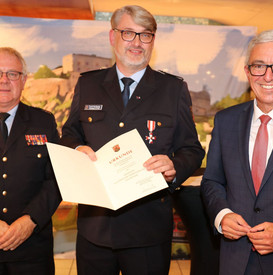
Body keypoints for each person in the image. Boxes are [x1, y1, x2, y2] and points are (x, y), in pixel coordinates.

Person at [60, 5, 204, 275]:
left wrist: (174, 167)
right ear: (113, 37)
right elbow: (69, 133)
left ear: (153, 41)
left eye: (145, 35)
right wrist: (77, 147)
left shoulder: (173, 90)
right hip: (95, 227)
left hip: (147, 229)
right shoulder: (88, 85)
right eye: (128, 33)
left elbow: (191, 149)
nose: (137, 42)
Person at [201, 29, 273, 275]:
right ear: (247, 72)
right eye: (259, 66)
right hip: (234, 262)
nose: (268, 76)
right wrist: (222, 214)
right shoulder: (225, 121)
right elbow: (212, 180)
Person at [0, 47, 61, 274]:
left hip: (32, 249)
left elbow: (56, 178)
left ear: (24, 80)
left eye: (12, 74)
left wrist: (30, 220)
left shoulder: (43, 122)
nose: (4, 80)